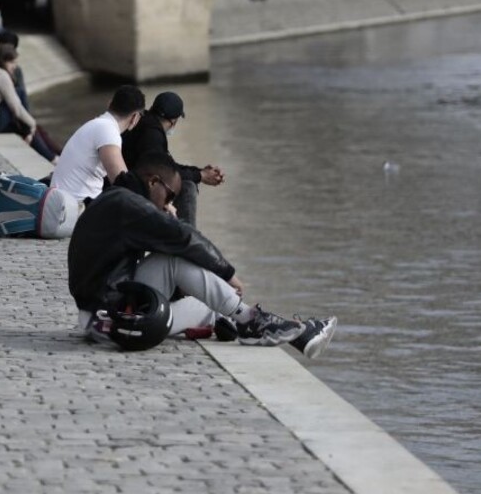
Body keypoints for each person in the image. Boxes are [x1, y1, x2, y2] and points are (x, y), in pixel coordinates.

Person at [68, 153, 337, 357]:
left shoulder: (116, 199)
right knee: (183, 274)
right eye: (169, 196)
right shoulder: (128, 205)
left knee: (213, 306)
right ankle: (261, 323)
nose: (169, 204)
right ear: (153, 182)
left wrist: (165, 216)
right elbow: (183, 238)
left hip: (104, 311)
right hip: (115, 320)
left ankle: (289, 331)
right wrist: (227, 272)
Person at [120, 92, 222, 225]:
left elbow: (168, 165)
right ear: (174, 121)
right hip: (133, 190)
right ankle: (187, 233)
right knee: (187, 187)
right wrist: (200, 176)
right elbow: (165, 171)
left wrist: (199, 172)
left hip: (128, 184)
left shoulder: (144, 122)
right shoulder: (152, 135)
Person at [50, 86, 146, 205]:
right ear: (135, 117)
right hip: (73, 208)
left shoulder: (96, 125)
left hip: (61, 203)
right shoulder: (108, 130)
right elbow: (123, 183)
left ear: (110, 103)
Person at [0, 44, 60, 163]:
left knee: (22, 124)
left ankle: (52, 156)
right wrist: (32, 124)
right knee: (19, 94)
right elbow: (16, 108)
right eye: (12, 62)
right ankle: (52, 157)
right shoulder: (1, 75)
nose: (15, 66)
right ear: (3, 61)